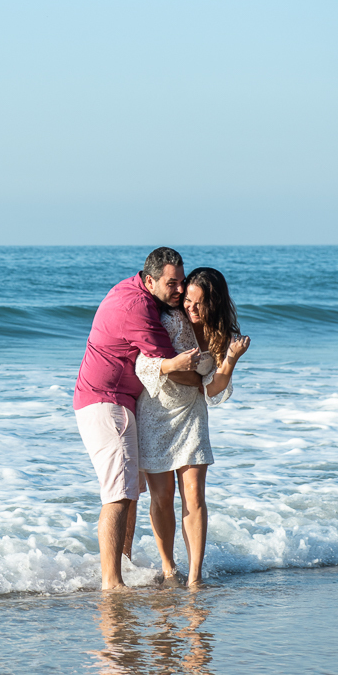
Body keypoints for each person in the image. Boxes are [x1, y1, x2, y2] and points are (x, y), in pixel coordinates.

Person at [74, 248, 204, 590]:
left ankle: (125, 565)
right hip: (106, 401)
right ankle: (112, 583)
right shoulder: (139, 307)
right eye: (171, 283)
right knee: (117, 494)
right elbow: (174, 368)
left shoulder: (129, 288)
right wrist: (207, 380)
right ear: (150, 281)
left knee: (129, 490)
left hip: (118, 401)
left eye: (182, 282)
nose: (179, 290)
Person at [134, 267, 249, 587]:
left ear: (213, 304)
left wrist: (230, 360)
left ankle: (195, 576)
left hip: (192, 416)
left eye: (198, 304)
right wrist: (190, 375)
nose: (191, 309)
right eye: (187, 301)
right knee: (162, 497)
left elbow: (212, 391)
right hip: (156, 413)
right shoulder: (169, 322)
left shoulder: (220, 335)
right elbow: (146, 365)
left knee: (195, 496)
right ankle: (169, 567)